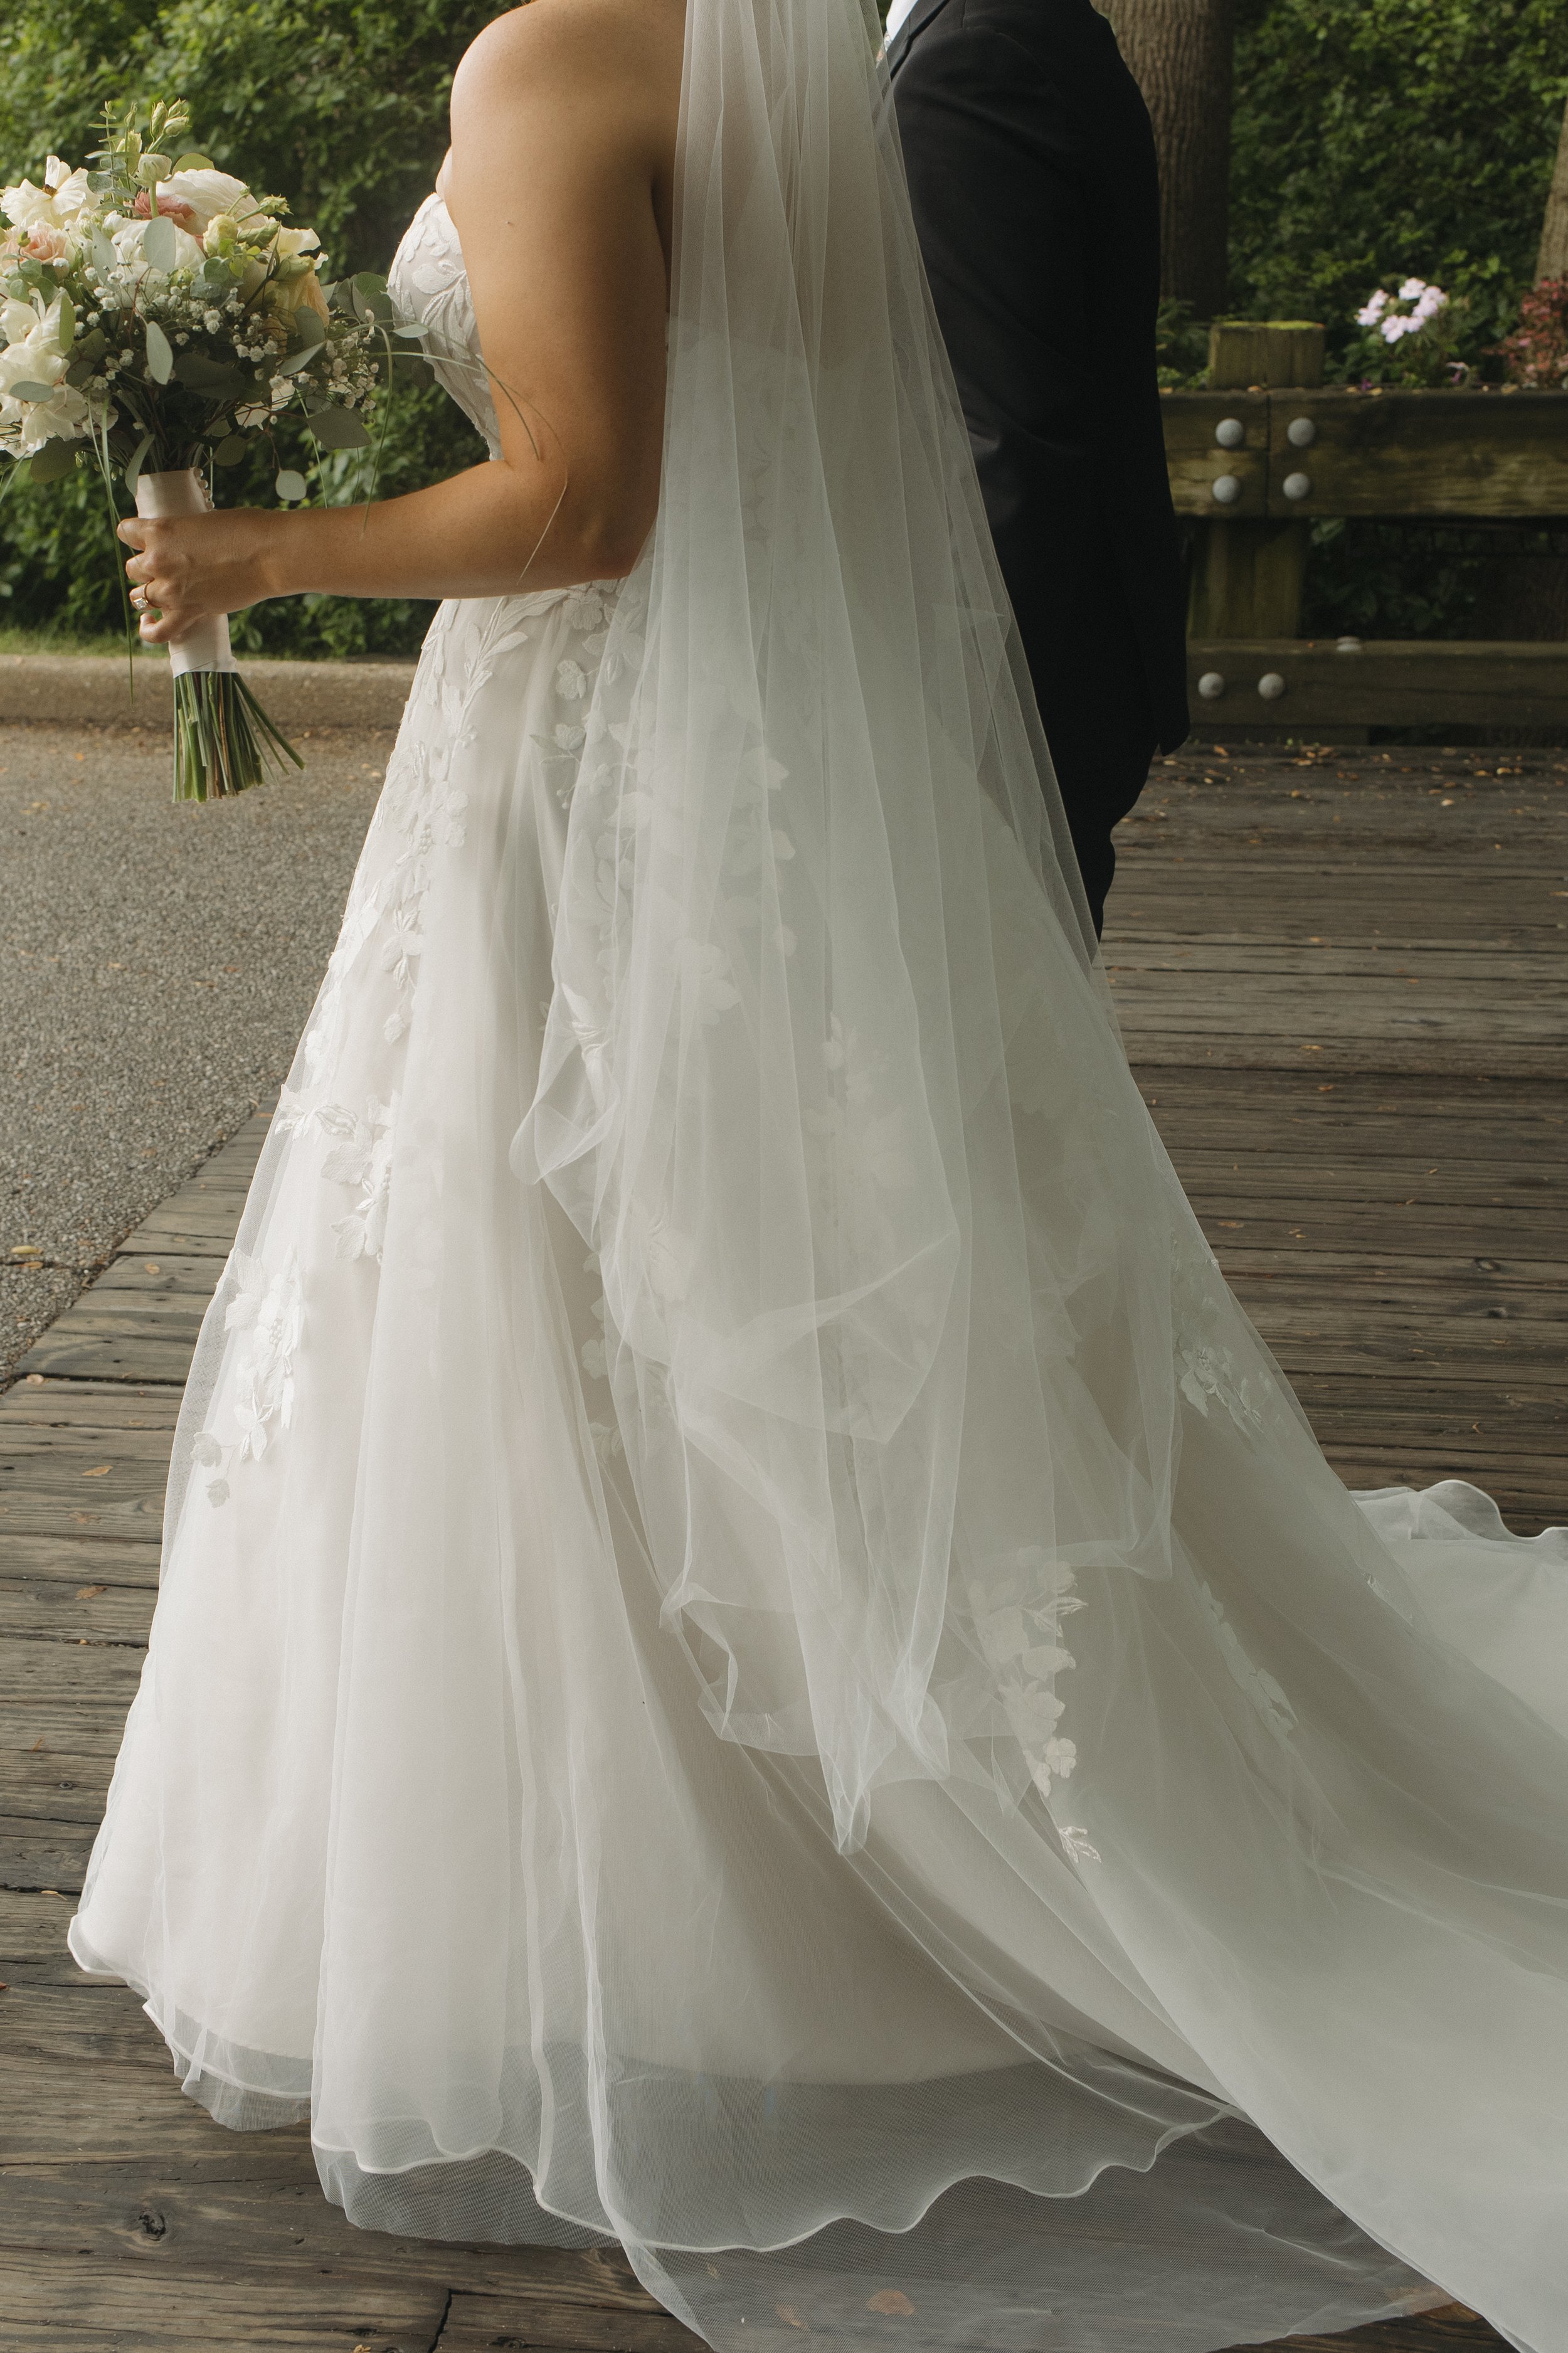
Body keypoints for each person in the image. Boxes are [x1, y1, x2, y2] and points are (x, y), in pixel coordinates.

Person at [72, 4, 1568, 2350]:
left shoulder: (560, 55)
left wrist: (259, 554)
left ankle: (670, 1902)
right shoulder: (775, 54)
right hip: (748, 764)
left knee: (533, 1268)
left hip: (582, 743)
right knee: (666, 1277)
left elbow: (582, 500)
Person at [888, 0, 1188, 932]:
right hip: (1072, 638)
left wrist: (940, 715)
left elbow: (1009, 436)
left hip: (1018, 672)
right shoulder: (1024, 23)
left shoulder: (971, 59)